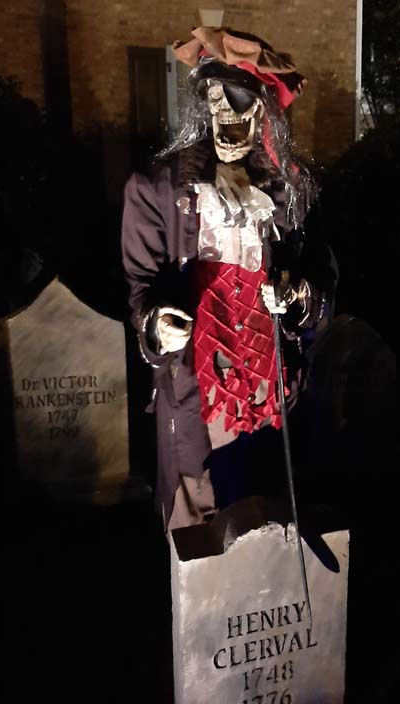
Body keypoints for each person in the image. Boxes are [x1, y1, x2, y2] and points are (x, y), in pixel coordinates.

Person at [122, 27, 335, 531]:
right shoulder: (157, 190)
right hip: (197, 397)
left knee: (272, 523)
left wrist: (299, 295)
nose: (223, 114)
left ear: (263, 111)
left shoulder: (293, 189)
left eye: (236, 102)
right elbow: (139, 288)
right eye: (214, 100)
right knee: (201, 535)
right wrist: (157, 322)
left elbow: (323, 278)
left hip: (274, 396)